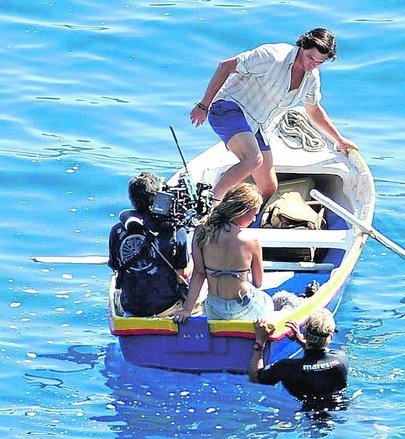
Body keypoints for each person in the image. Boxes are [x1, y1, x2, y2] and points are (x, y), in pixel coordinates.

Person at [190, 27, 359, 202]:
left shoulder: (311, 79)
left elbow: (314, 110)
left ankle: (236, 219)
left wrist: (339, 140)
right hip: (229, 108)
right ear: (303, 46)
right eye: (310, 57)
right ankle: (209, 203)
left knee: (268, 188)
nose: (313, 64)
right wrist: (203, 105)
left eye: (319, 62)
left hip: (259, 126)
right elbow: (225, 66)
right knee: (253, 160)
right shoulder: (273, 56)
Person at [172, 183, 273, 324]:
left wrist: (186, 311)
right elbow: (258, 282)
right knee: (268, 301)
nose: (254, 220)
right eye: (254, 214)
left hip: (215, 309)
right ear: (242, 211)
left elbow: (199, 274)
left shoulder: (201, 231)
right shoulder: (252, 242)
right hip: (245, 307)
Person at [108, 172, 191, 317]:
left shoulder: (117, 230)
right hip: (166, 308)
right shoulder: (175, 230)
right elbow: (181, 276)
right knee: (199, 280)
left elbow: (116, 267)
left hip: (130, 305)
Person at [249, 308, 348, 407]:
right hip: (339, 406)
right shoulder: (341, 359)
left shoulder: (287, 367)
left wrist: (260, 341)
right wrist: (301, 340)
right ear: (330, 337)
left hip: (303, 410)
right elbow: (317, 360)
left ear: (305, 333)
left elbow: (255, 378)